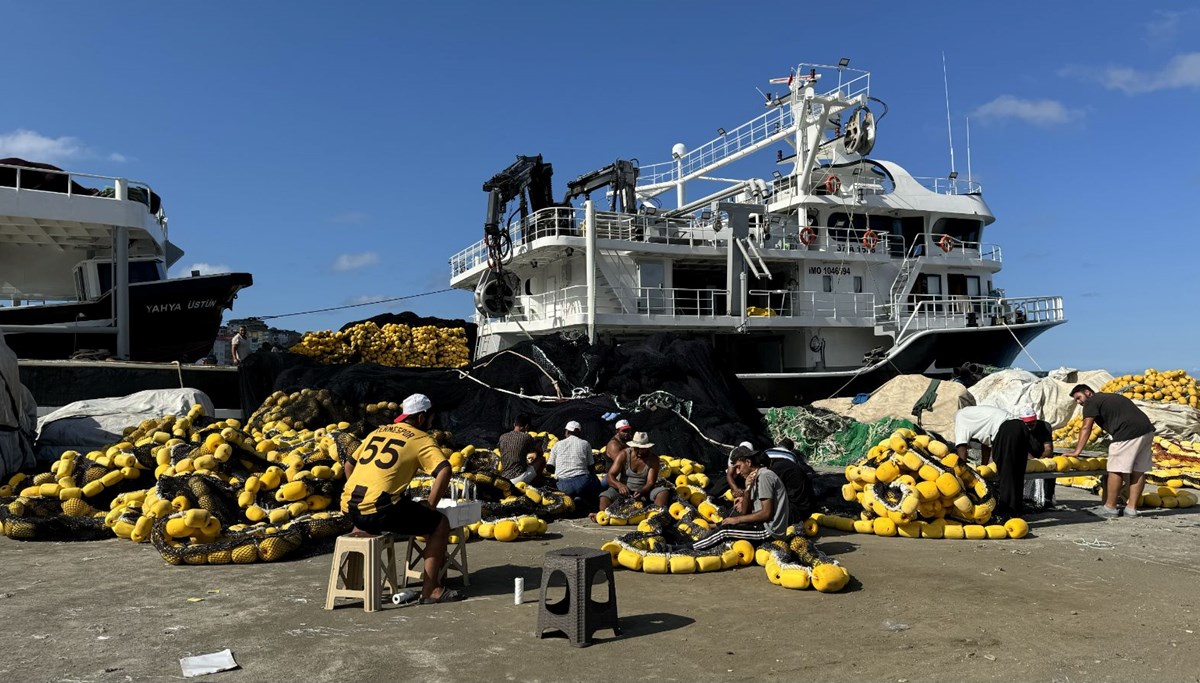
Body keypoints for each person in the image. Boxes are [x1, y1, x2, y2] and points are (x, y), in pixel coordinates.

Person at [339, 393, 463, 604]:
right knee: (440, 524)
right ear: (422, 417)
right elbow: (445, 470)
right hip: (381, 511)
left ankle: (353, 585)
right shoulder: (420, 438)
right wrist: (431, 505)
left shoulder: (378, 432)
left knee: (378, 515)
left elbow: (349, 464)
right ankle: (431, 590)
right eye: (431, 418)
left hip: (350, 507)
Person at [1066, 384, 1155, 518]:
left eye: (1079, 397)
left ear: (1087, 392)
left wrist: (1076, 452)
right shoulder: (1109, 397)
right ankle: (1131, 509)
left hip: (1127, 433)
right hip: (1147, 431)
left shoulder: (1092, 401)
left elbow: (1086, 427)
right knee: (1138, 471)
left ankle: (1110, 508)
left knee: (1115, 469)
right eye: (1076, 400)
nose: (1079, 402)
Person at [694, 450, 790, 550]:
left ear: (748, 462)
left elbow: (766, 513)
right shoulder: (754, 479)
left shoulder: (764, 476)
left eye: (739, 467)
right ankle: (709, 533)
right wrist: (747, 490)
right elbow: (745, 512)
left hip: (769, 532)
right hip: (760, 525)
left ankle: (691, 548)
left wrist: (736, 520)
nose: (738, 472)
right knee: (730, 520)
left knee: (724, 532)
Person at [989, 404, 1054, 517]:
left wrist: (1041, 460)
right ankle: (1026, 501)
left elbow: (1048, 447)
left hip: (1040, 456)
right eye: (1027, 423)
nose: (1030, 425)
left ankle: (1047, 499)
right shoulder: (1018, 429)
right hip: (1025, 456)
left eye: (1032, 422)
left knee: (1050, 470)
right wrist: (1031, 460)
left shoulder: (1045, 426)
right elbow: (1022, 450)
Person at [593, 431, 670, 518]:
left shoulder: (653, 459)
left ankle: (656, 517)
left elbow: (650, 482)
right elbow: (610, 475)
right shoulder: (624, 455)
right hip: (622, 491)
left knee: (663, 492)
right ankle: (605, 517)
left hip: (643, 492)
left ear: (648, 448)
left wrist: (642, 490)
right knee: (604, 497)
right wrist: (619, 485)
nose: (640, 451)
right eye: (637, 448)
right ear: (632, 446)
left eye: (643, 448)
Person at [548, 420, 602, 511]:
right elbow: (591, 467)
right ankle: (592, 504)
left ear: (567, 432)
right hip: (583, 484)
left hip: (563, 486)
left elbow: (549, 467)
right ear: (579, 433)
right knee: (594, 479)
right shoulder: (585, 444)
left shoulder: (557, 445)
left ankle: (573, 499)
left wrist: (560, 470)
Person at [764, 438, 817, 523]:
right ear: (791, 449)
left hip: (792, 510)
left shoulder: (767, 452)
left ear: (778, 445)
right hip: (801, 505)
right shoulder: (792, 456)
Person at [497, 414, 545, 484]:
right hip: (518, 478)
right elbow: (540, 453)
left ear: (514, 424)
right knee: (541, 459)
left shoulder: (502, 437)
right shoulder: (526, 437)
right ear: (526, 426)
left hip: (504, 477)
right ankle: (535, 483)